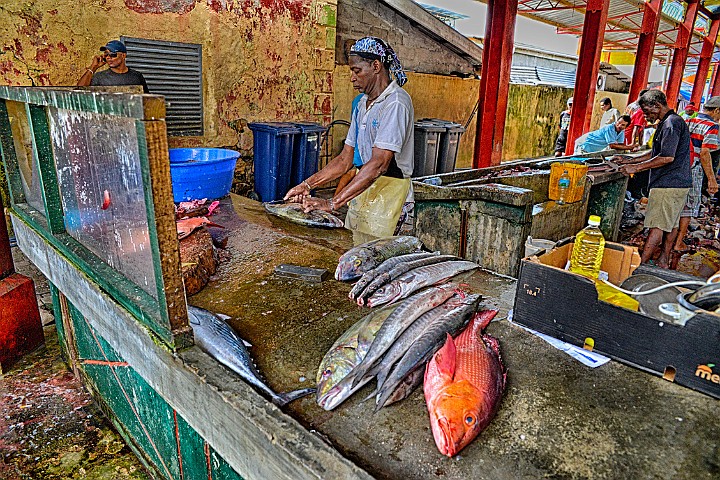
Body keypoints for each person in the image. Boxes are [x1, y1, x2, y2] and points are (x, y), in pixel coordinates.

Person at [284, 37, 414, 245]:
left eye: (357, 71)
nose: (352, 78)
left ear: (376, 66)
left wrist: (332, 203)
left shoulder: (395, 102)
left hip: (392, 193)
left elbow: (379, 163)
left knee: (376, 254)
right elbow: (345, 159)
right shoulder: (362, 104)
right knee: (352, 249)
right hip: (364, 187)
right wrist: (307, 184)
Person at [615, 90, 691, 268]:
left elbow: (667, 157)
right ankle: (663, 259)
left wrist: (636, 168)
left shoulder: (671, 124)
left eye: (647, 112)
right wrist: (630, 160)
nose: (646, 116)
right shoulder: (669, 122)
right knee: (670, 224)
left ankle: (639, 266)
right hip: (676, 183)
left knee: (656, 226)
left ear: (657, 106)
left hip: (668, 183)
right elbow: (656, 152)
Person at [673, 96, 720, 253]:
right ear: (717, 110)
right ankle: (678, 243)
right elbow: (705, 153)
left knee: (675, 204)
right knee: (687, 207)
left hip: (676, 167)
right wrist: (712, 180)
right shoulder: (712, 126)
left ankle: (668, 240)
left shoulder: (686, 119)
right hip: (693, 169)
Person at [77, 40, 149, 93]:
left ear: (123, 55)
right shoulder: (99, 77)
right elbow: (78, 91)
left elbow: (146, 100)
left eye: (112, 54)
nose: (108, 57)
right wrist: (93, 67)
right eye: (106, 54)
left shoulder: (137, 76)